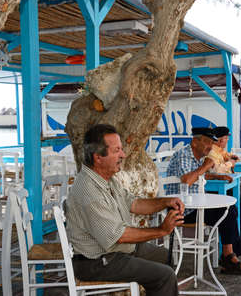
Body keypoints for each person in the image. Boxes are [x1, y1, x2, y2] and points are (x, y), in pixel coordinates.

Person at [65, 124, 184, 296]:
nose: (123, 155)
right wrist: (161, 230)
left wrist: (166, 201)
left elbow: (134, 204)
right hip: (96, 262)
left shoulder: (106, 178)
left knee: (164, 256)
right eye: (117, 151)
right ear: (98, 157)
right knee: (164, 276)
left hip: (116, 252)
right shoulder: (89, 191)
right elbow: (119, 236)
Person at [166, 127, 241, 276]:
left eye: (212, 143)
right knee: (226, 212)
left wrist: (217, 177)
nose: (210, 146)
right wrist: (206, 166)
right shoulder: (184, 155)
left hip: (196, 204)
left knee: (229, 208)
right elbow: (187, 180)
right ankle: (229, 258)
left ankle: (230, 256)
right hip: (182, 210)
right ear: (195, 141)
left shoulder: (197, 157)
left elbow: (199, 177)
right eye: (207, 142)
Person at [206, 126, 241, 241]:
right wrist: (230, 164)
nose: (227, 140)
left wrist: (231, 158)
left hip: (231, 184)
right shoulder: (212, 152)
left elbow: (228, 158)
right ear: (220, 139)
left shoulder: (221, 151)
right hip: (219, 187)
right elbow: (215, 171)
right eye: (226, 138)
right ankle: (238, 234)